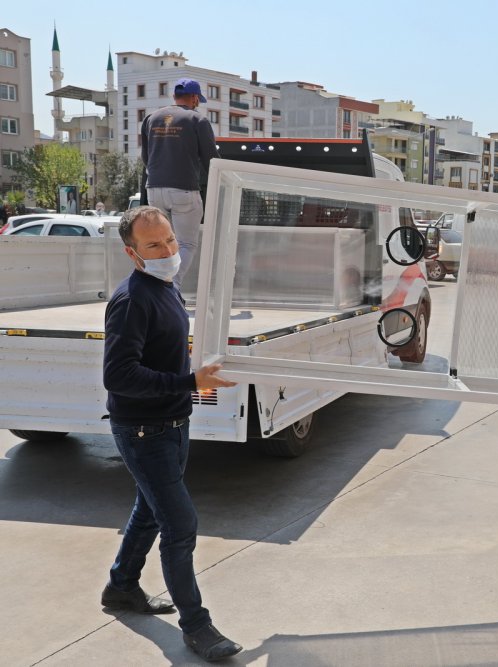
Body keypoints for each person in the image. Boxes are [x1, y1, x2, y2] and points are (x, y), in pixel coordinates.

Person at [101, 205, 242, 661]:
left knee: (149, 509)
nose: (168, 250)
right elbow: (119, 376)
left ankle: (121, 586)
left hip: (173, 425)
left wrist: (192, 384)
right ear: (133, 253)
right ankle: (196, 627)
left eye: (170, 240)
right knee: (180, 526)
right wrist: (190, 383)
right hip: (144, 432)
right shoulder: (132, 299)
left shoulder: (166, 287)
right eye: (154, 245)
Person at [141, 78, 219, 287]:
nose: (198, 104)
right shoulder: (197, 120)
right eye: (198, 100)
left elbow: (146, 158)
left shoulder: (151, 118)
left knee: (162, 241)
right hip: (184, 189)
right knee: (186, 243)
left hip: (154, 189)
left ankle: (156, 283)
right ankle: (170, 285)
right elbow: (212, 160)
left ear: (175, 97)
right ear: (194, 98)